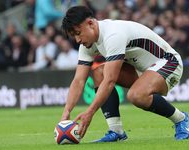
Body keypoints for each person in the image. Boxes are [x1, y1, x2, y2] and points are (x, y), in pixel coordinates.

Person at [60, 6, 189, 142]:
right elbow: (79, 80)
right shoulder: (88, 44)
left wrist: (90, 112)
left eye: (78, 33)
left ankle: (181, 119)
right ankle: (117, 132)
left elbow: (110, 81)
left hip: (169, 63)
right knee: (99, 72)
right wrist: (66, 112)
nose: (77, 40)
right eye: (74, 36)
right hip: (143, 69)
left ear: (90, 24)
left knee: (136, 95)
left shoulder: (113, 35)